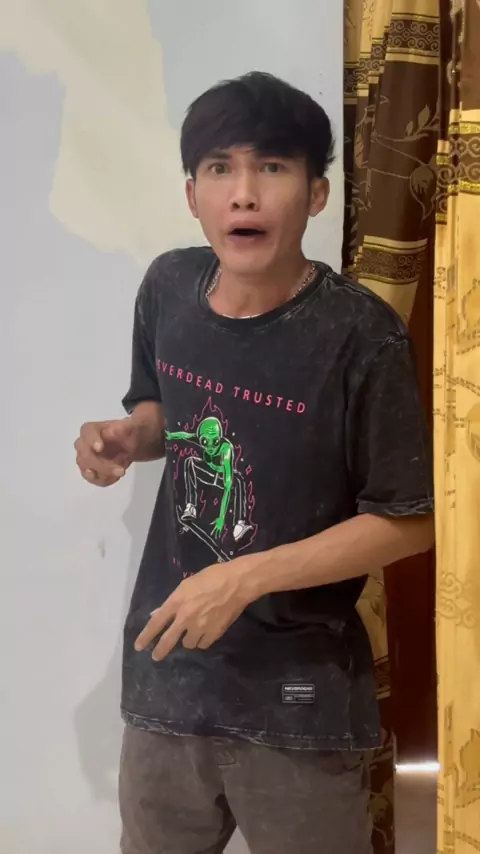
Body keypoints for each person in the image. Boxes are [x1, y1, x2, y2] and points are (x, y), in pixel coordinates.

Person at [74, 72, 434, 854]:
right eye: (219, 168)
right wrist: (129, 436)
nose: (244, 193)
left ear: (316, 194)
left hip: (298, 703)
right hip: (166, 677)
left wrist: (245, 577)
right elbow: (165, 410)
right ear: (191, 194)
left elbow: (408, 520)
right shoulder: (168, 289)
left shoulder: (361, 338)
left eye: (272, 167)